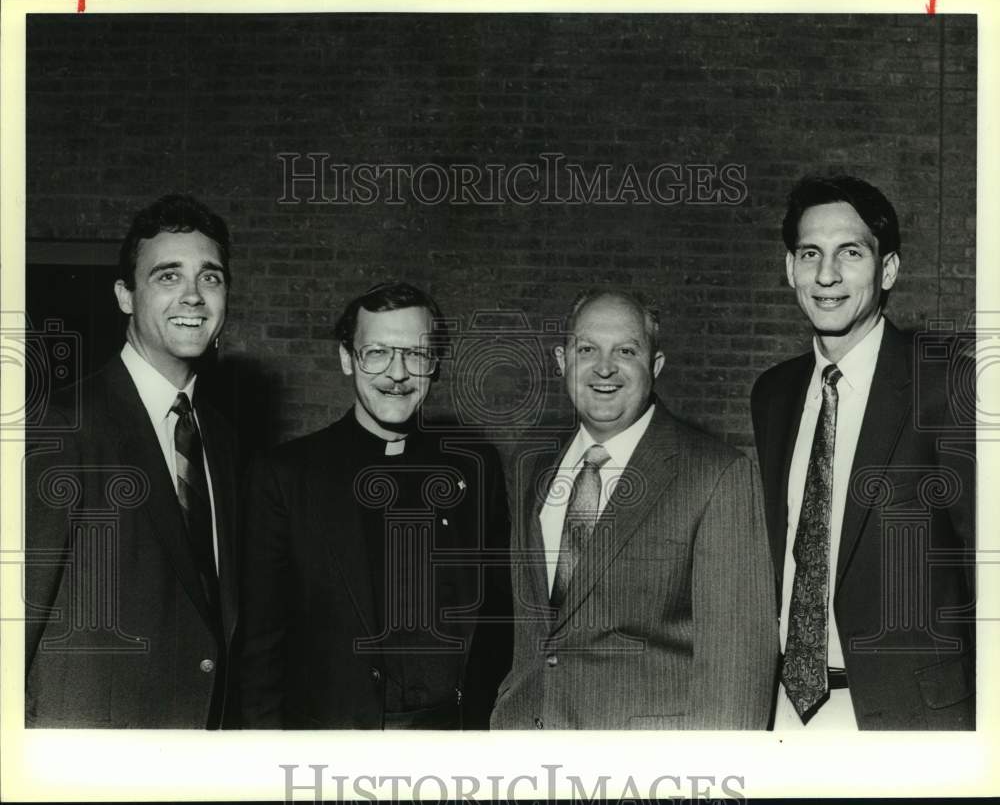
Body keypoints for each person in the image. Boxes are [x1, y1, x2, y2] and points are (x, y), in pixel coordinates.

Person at [490, 290, 776, 730]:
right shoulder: (533, 462)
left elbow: (738, 673)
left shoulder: (716, 474)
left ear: (655, 366)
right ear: (562, 361)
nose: (604, 367)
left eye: (626, 350)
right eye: (587, 349)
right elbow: (535, 635)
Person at [751, 174, 976, 730]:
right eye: (810, 254)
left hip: (914, 716)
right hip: (782, 711)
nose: (826, 275)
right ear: (790, 270)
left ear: (888, 269)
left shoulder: (945, 384)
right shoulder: (773, 393)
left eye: (849, 253)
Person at [238, 282, 512, 729]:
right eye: (377, 353)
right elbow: (260, 648)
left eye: (416, 354)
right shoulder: (285, 476)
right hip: (333, 747)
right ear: (347, 358)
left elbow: (502, 623)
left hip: (458, 746)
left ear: (436, 363)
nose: (397, 373)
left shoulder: (478, 469)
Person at [24, 194, 239, 728]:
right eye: (168, 276)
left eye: (209, 278)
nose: (193, 296)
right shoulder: (60, 427)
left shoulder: (226, 440)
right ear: (125, 295)